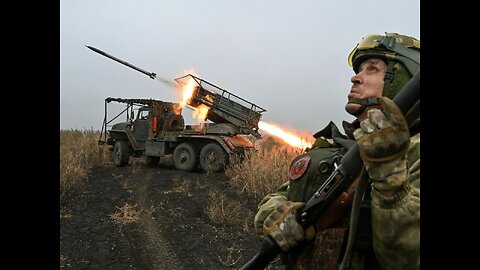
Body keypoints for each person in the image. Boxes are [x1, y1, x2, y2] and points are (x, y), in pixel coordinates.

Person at [254, 32, 420, 270]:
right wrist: (278, 216)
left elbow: (409, 258)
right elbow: (276, 197)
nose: (355, 78)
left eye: (372, 69)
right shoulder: (336, 147)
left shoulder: (413, 153)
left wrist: (391, 181)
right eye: (358, 70)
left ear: (402, 81)